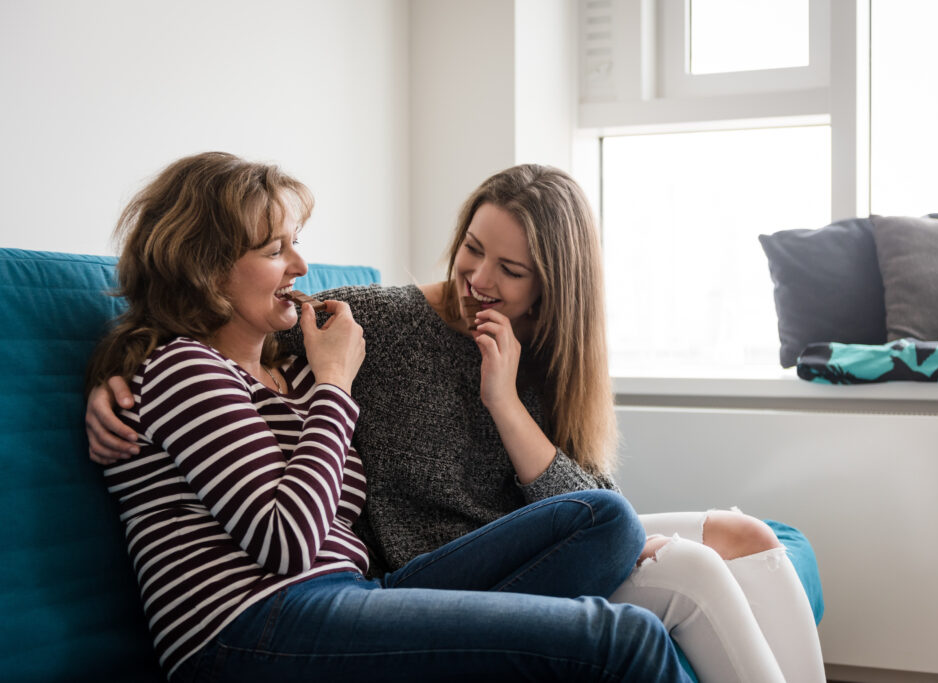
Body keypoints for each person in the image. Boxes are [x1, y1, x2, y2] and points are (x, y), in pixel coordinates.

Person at [88, 162, 825, 682]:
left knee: (609, 519)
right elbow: (285, 539)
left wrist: (493, 395)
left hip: (355, 594)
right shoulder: (209, 366)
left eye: (511, 268)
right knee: (626, 631)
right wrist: (112, 377)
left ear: (550, 287)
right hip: (256, 623)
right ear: (207, 265)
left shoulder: (298, 365)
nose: (302, 266)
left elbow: (586, 494)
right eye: (277, 248)